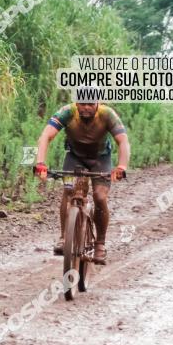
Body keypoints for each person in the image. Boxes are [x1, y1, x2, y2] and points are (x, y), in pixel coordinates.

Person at [33, 102, 129, 264]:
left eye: (90, 104)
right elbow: (46, 136)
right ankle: (64, 238)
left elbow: (123, 141)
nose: (86, 108)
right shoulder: (68, 112)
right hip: (74, 158)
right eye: (82, 104)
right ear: (76, 104)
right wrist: (40, 163)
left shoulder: (107, 114)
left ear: (97, 104)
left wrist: (121, 166)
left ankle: (100, 245)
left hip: (100, 159)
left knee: (99, 196)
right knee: (69, 189)